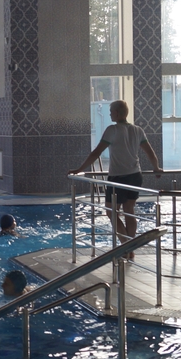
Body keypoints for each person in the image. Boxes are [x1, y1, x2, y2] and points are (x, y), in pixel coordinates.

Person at [70, 100, 161, 251]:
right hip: (135, 175)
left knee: (111, 212)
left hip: (118, 177)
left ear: (117, 113)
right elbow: (150, 152)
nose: (110, 114)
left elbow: (96, 153)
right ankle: (130, 249)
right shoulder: (138, 130)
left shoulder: (112, 130)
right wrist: (156, 168)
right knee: (129, 211)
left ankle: (125, 246)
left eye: (111, 111)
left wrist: (79, 168)